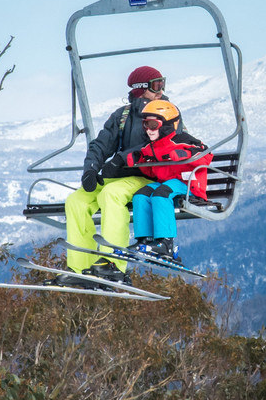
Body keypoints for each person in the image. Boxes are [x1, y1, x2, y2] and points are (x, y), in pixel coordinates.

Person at [47, 66, 174, 288]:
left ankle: (113, 263)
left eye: (162, 84)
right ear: (140, 88)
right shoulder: (122, 115)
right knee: (76, 201)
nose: (161, 90)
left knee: (111, 195)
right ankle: (80, 268)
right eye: (156, 85)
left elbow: (162, 145)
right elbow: (101, 144)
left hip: (148, 176)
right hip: (119, 176)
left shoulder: (166, 112)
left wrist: (122, 159)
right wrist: (91, 169)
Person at [123, 99, 213, 260]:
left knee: (161, 194)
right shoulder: (152, 146)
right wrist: (139, 161)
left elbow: (206, 154)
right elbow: (151, 171)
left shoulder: (182, 140)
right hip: (166, 182)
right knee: (141, 195)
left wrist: (184, 155)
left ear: (166, 125)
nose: (148, 130)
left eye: (152, 125)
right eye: (145, 125)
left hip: (188, 184)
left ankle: (166, 243)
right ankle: (144, 239)